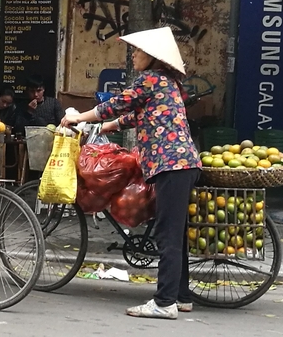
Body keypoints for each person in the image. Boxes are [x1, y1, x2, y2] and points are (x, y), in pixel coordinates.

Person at [60, 27, 201, 320]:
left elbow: (115, 105)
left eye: (137, 52)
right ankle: (182, 296)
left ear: (150, 57)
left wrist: (80, 116)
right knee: (176, 234)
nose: (133, 55)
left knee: (168, 236)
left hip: (171, 165)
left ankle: (164, 303)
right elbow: (139, 114)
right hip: (181, 165)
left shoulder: (150, 79)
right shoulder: (166, 82)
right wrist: (110, 127)